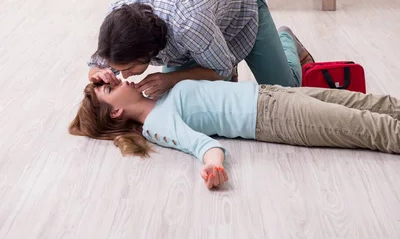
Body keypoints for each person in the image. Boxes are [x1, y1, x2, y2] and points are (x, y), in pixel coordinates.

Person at [70, 74, 400, 190]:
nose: (116, 80)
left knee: (370, 103)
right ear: (115, 111)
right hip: (272, 117)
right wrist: (215, 167)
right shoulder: (157, 126)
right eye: (109, 90)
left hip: (270, 93)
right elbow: (201, 145)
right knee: (371, 128)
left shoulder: (155, 90)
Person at [87, 0, 313, 98]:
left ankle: (285, 38)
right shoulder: (118, 16)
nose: (125, 77)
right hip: (200, 4)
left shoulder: (188, 24)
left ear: (148, 50)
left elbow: (220, 69)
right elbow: (102, 60)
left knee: (285, 91)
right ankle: (215, 51)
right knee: (180, 94)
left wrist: (170, 78)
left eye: (128, 69)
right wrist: (98, 71)